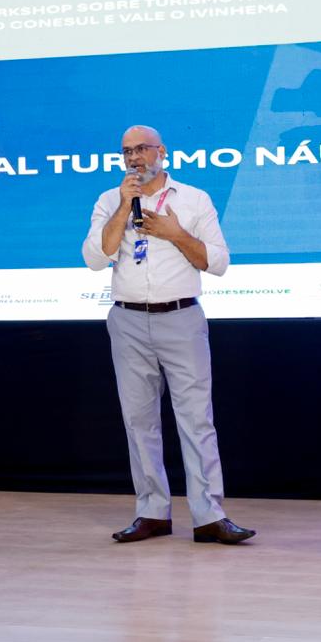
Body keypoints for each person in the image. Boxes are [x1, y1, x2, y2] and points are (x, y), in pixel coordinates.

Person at [82, 125, 255, 545]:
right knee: (138, 420)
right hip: (127, 319)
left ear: (161, 152)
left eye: (142, 148)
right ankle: (152, 512)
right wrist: (123, 206)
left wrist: (175, 234)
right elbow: (95, 259)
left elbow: (218, 262)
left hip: (181, 317)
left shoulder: (194, 199)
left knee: (196, 419)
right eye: (127, 151)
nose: (134, 157)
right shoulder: (109, 199)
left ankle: (209, 516)